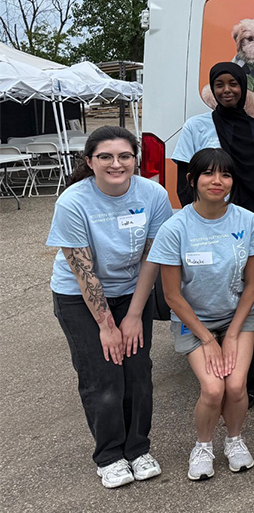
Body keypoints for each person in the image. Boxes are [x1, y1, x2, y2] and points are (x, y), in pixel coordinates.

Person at [46, 126, 173, 488]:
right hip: (79, 297)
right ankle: (109, 455)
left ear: (136, 159)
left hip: (133, 292)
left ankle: (137, 448)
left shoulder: (153, 194)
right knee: (103, 375)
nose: (116, 164)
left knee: (137, 371)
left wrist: (134, 316)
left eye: (125, 156)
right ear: (89, 161)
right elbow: (82, 270)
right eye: (105, 156)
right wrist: (107, 325)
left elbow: (152, 258)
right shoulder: (73, 202)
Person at [148, 148, 254, 480]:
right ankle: (203, 445)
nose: (217, 181)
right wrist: (208, 339)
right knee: (213, 389)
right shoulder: (175, 228)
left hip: (239, 317)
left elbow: (252, 285)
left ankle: (234, 440)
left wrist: (231, 334)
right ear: (192, 180)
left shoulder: (248, 221)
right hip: (193, 321)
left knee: (235, 386)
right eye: (208, 173)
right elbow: (172, 295)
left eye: (226, 174)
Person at [172, 62, 254, 407]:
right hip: (209, 223)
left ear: (243, 88)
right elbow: (183, 180)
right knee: (214, 298)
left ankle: (244, 385)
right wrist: (198, 220)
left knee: (249, 300)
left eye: (233, 85)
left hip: (248, 225)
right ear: (211, 89)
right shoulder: (196, 126)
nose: (226, 91)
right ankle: (215, 377)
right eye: (219, 85)